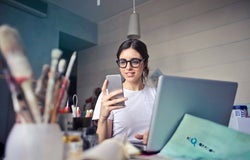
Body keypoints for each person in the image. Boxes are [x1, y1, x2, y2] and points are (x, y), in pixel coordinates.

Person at [92, 39, 156, 144]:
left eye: (135, 61)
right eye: (123, 62)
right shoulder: (109, 96)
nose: (128, 67)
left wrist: (155, 136)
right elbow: (102, 144)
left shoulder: (156, 94)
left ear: (145, 63)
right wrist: (103, 117)